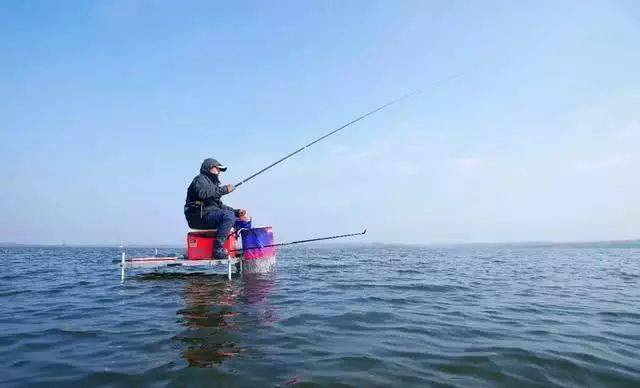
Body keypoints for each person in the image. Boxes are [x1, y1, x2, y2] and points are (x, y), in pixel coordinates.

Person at [184, 158, 248, 259]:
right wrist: (225, 189)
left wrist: (237, 212)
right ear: (209, 168)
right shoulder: (200, 179)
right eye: (217, 169)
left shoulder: (213, 184)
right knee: (228, 216)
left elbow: (219, 206)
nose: (219, 172)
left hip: (208, 215)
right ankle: (217, 249)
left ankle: (237, 249)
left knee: (239, 219)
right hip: (198, 217)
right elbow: (203, 194)